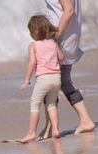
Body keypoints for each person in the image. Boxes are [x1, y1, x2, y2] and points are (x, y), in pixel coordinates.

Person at [28, 0, 95, 135]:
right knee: (59, 81)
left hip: (62, 36)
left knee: (52, 81)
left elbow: (69, 9)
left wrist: (55, 34)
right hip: (67, 34)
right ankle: (69, 122)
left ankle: (63, 124)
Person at [17, 15, 64, 144]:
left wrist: (26, 80)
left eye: (31, 31)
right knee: (51, 104)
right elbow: (61, 57)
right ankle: (55, 129)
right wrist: (56, 43)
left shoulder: (33, 46)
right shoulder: (53, 43)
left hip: (43, 79)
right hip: (56, 78)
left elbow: (32, 63)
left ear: (35, 32)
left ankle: (31, 133)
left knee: (34, 104)